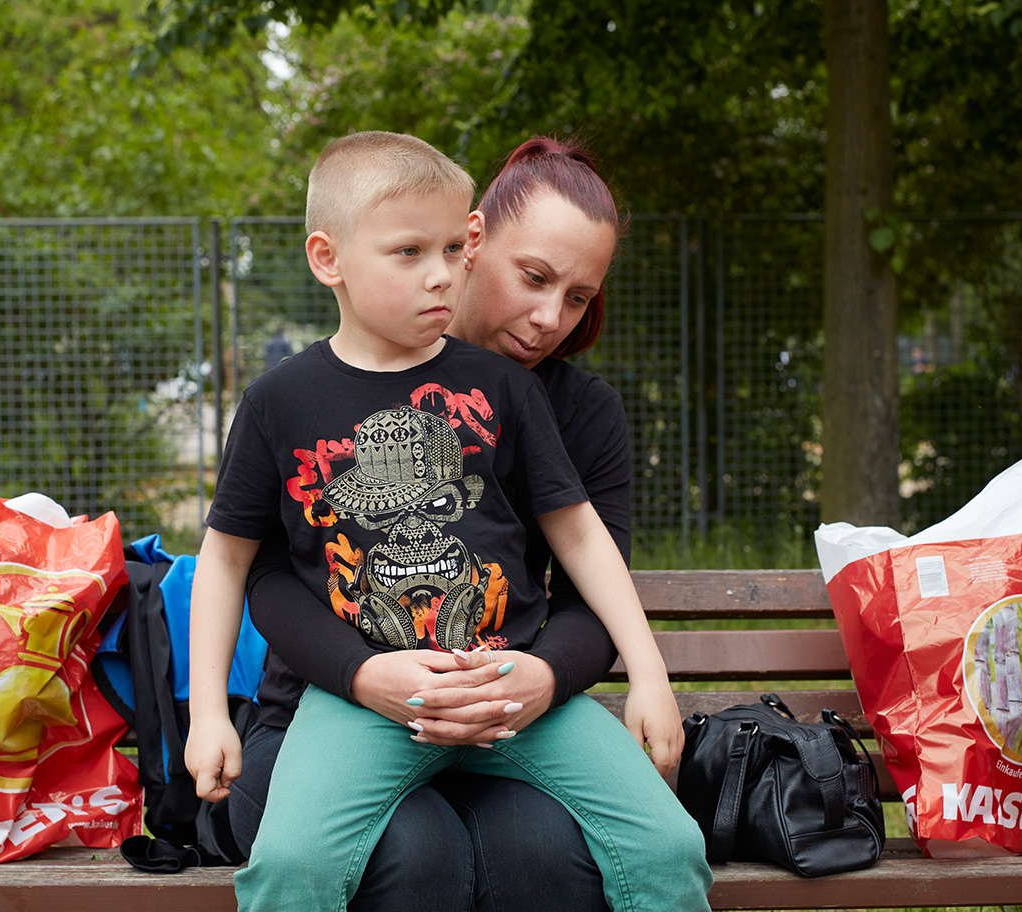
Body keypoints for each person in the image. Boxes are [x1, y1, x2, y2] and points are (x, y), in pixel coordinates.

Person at [185, 131, 712, 912]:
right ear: (329, 260)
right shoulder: (280, 402)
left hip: (507, 688)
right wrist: (207, 718)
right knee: (298, 864)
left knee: (668, 847)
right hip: (357, 701)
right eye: (409, 254)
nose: (437, 276)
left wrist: (649, 674)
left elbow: (580, 537)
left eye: (446, 252)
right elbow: (233, 562)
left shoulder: (506, 390)